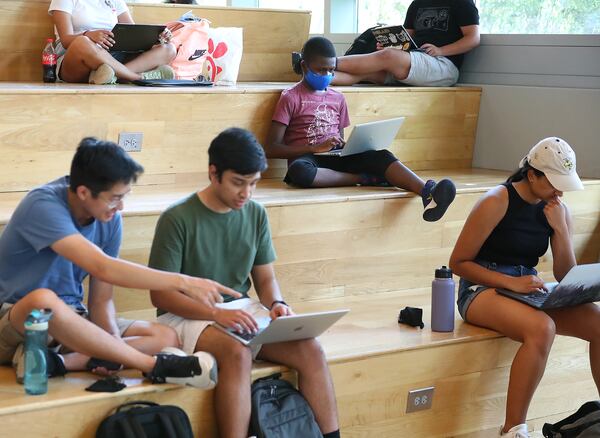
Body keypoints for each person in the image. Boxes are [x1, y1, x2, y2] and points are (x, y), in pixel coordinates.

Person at [0, 137, 241, 387]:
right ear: (83, 192)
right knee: (43, 301)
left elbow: (101, 300)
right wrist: (183, 281)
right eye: (114, 198)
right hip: (15, 318)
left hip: (72, 319)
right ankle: (153, 366)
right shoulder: (42, 204)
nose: (120, 206)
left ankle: (55, 361)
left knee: (164, 336)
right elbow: (101, 266)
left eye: (124, 196)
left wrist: (112, 345)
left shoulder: (108, 217)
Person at [148, 128, 341, 438]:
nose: (246, 193)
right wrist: (215, 314)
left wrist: (277, 304)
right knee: (237, 353)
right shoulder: (177, 218)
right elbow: (160, 296)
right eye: (238, 183)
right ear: (214, 173)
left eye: (253, 184)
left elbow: (265, 279)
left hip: (240, 312)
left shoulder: (255, 213)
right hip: (186, 315)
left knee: (311, 349)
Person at [449, 137, 600, 438]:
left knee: (599, 322)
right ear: (532, 175)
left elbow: (564, 272)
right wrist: (510, 282)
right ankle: (513, 429)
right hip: (481, 289)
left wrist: (560, 228)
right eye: (554, 182)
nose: (559, 191)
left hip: (528, 288)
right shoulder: (496, 200)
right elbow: (459, 262)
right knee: (542, 328)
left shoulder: (557, 208)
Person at [267, 36, 456, 222]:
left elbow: (339, 139)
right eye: (321, 70)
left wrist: (345, 145)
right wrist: (313, 148)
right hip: (308, 159)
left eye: (331, 70)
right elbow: (272, 148)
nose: (326, 75)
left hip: (334, 158)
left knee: (381, 155)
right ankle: (364, 178)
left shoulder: (338, 98)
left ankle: (428, 191)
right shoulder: (290, 97)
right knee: (299, 171)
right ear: (304, 66)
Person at [328, 0, 480, 87]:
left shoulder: (462, 3)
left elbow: (473, 38)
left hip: (443, 65)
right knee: (364, 73)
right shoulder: (417, 4)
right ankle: (311, 74)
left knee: (388, 56)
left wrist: (440, 51)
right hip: (411, 62)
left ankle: (324, 62)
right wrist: (390, 46)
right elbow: (406, 39)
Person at [49, 0, 179, 84]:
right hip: (76, 59)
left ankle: (109, 76)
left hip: (113, 55)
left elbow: (133, 33)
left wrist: (157, 36)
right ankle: (137, 78)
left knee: (169, 48)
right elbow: (66, 40)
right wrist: (89, 35)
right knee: (82, 41)